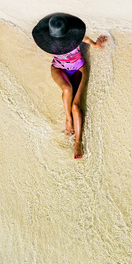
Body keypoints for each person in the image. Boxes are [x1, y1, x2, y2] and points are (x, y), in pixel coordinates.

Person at [32, 12, 107, 159]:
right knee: (67, 89)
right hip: (58, 68)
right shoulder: (49, 41)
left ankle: (78, 142)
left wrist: (95, 44)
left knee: (76, 106)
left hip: (78, 67)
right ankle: (68, 119)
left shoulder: (74, 37)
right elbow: (39, 41)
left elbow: (85, 39)